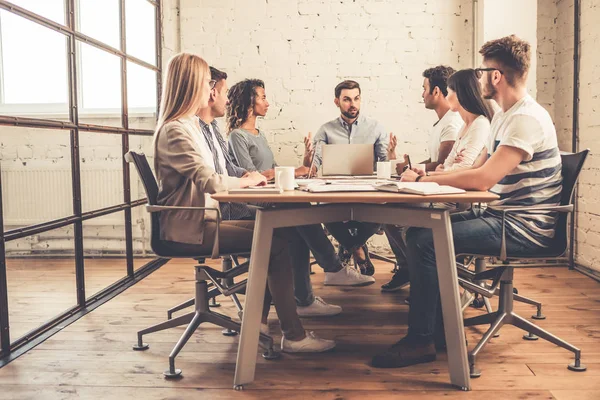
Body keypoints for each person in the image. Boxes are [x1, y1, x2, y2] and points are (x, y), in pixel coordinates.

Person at [372, 35, 563, 368]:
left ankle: (421, 340)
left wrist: (425, 179)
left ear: (496, 76)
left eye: (481, 71)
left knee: (424, 240)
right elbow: (476, 169)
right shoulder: (505, 116)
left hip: (522, 226)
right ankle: (438, 331)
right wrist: (425, 179)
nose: (478, 78)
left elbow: (483, 180)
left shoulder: (525, 119)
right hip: (501, 215)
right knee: (420, 231)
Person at [153, 53, 335, 353]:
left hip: (204, 218)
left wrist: (247, 179)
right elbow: (211, 181)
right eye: (206, 83)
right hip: (192, 226)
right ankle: (293, 335)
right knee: (274, 242)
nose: (211, 90)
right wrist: (249, 181)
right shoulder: (176, 131)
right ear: (191, 85)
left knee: (282, 233)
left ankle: (259, 321)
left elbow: (217, 173)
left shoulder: (191, 128)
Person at [222, 77, 375, 316]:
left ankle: (306, 298)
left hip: (267, 196)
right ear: (249, 102)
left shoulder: (258, 134)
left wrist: (302, 167)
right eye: (262, 97)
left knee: (300, 217)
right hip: (247, 202)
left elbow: (272, 171)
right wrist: (295, 171)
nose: (267, 102)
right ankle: (329, 272)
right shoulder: (237, 137)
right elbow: (251, 177)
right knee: (298, 216)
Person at [382, 65, 463, 292]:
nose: (422, 94)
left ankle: (415, 270)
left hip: (448, 197)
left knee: (391, 213)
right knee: (389, 212)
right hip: (438, 189)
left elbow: (442, 166)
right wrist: (412, 167)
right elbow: (436, 161)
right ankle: (411, 268)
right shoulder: (443, 122)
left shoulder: (452, 122)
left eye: (424, 88)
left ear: (436, 91)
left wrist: (416, 170)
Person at [312, 80, 390, 275]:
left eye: (356, 99)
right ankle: (358, 249)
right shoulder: (325, 130)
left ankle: (348, 246)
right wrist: (311, 164)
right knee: (323, 209)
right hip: (334, 190)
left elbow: (384, 162)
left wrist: (391, 157)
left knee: (385, 208)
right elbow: (316, 162)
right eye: (346, 99)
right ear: (336, 101)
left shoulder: (377, 128)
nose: (352, 104)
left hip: (368, 191)